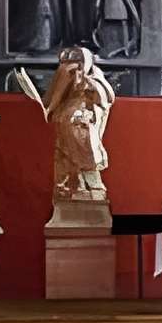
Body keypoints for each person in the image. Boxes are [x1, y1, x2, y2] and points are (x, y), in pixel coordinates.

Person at [44, 46, 114, 206]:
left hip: (84, 120)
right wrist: (50, 109)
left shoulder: (95, 76)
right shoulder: (64, 74)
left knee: (84, 139)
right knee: (66, 142)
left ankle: (92, 187)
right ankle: (73, 186)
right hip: (67, 119)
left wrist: (89, 86)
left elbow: (105, 98)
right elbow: (54, 98)